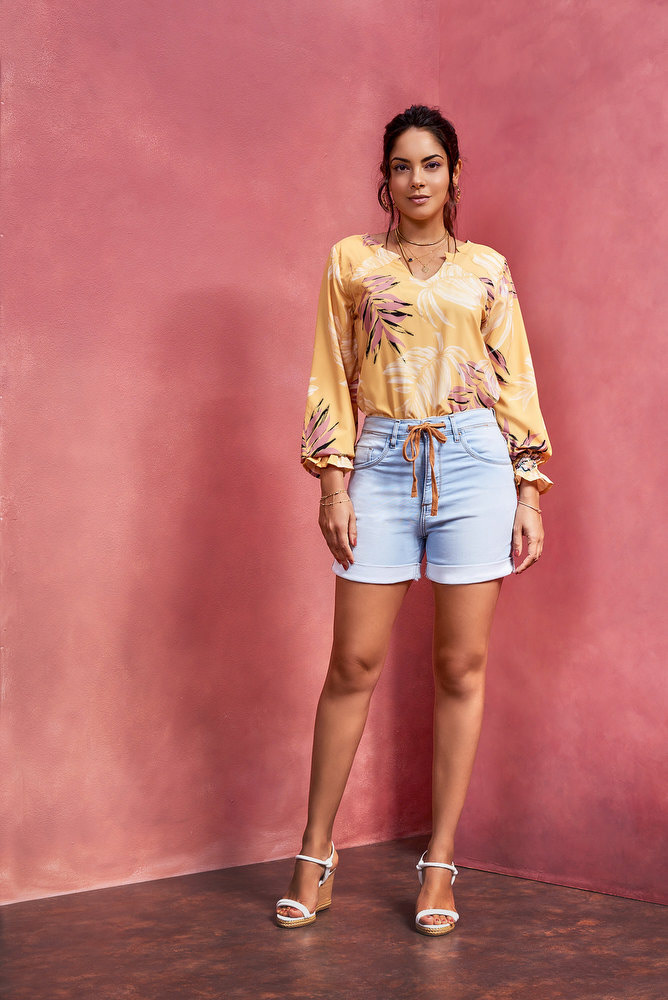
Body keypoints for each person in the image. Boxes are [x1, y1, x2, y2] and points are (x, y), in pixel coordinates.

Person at [275, 104, 554, 936]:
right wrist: (334, 485)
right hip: (384, 459)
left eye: (431, 164)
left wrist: (529, 489)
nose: (416, 179)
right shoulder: (351, 261)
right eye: (401, 166)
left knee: (460, 667)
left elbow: (515, 378)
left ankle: (440, 861)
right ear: (385, 178)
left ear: (454, 175)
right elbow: (331, 372)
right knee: (352, 662)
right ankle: (315, 852)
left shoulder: (488, 269)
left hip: (474, 461)